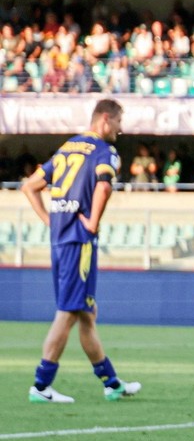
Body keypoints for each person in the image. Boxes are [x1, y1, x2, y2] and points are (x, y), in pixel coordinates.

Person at [21, 98, 141, 404]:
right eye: (118, 122)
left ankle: (111, 382)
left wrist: (50, 220)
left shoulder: (67, 148)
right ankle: (41, 384)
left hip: (61, 238)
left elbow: (30, 186)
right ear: (105, 118)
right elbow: (103, 186)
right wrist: (92, 223)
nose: (120, 128)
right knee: (68, 312)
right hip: (79, 240)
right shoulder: (104, 151)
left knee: (86, 313)